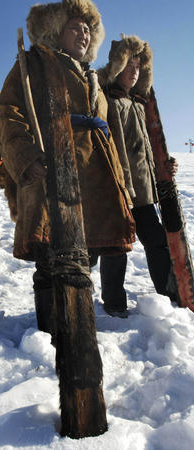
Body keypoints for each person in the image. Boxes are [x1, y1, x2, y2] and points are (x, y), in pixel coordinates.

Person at [0, 0, 135, 334]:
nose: (84, 34)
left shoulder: (93, 77)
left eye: (88, 29)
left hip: (94, 176)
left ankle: (78, 319)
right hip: (51, 169)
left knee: (86, 253)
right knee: (51, 255)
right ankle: (53, 331)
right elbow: (9, 112)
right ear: (58, 29)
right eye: (75, 27)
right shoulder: (34, 64)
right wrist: (26, 157)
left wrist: (120, 178)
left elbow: (105, 129)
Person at [97, 34, 178, 318]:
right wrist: (123, 188)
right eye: (129, 65)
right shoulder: (107, 101)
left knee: (156, 241)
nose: (134, 72)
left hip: (143, 192)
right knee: (117, 247)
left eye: (138, 67)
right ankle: (114, 304)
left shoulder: (138, 104)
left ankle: (168, 293)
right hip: (119, 190)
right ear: (117, 67)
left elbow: (144, 150)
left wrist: (163, 169)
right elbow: (115, 149)